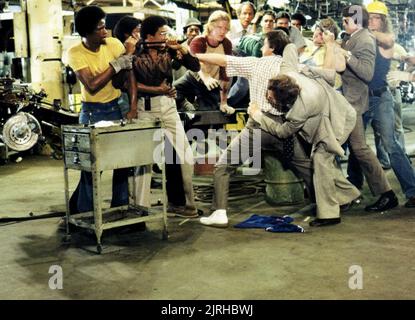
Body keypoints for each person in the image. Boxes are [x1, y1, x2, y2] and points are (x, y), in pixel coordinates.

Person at [194, 31, 314, 228]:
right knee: (307, 167)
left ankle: (220, 212)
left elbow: (223, 60)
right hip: (284, 126)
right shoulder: (292, 67)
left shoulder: (256, 63)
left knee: (223, 167)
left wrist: (197, 55)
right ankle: (327, 201)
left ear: (272, 47)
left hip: (257, 127)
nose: (260, 48)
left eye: (263, 44)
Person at [248, 71, 360, 227]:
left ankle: (329, 215)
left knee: (321, 161)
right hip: (331, 114)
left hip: (338, 122)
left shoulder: (301, 109)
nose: (268, 98)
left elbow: (283, 131)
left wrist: (258, 116)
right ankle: (349, 195)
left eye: (272, 98)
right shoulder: (293, 75)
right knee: (322, 165)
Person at [66, 6, 137, 215]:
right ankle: (85, 215)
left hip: (115, 107)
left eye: (104, 27)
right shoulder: (75, 53)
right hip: (91, 113)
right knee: (91, 169)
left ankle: (120, 209)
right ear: (86, 32)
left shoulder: (113, 44)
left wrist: (132, 107)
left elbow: (129, 75)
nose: (105, 32)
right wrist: (117, 64)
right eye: (99, 29)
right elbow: (92, 84)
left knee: (122, 163)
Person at [129, 15, 201, 218]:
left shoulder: (169, 50)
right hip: (144, 107)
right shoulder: (135, 52)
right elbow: (128, 84)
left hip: (168, 107)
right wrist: (157, 89)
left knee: (185, 154)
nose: (165, 37)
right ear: (149, 36)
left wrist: (181, 49)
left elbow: (195, 67)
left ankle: (187, 205)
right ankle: (139, 209)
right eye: (162, 33)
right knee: (142, 161)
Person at [347, 1, 415, 208]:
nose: (372, 20)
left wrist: (360, 28)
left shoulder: (385, 38)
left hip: (380, 98)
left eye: (376, 17)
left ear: (383, 20)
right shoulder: (362, 39)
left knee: (390, 144)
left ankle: (412, 191)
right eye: (370, 17)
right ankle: (352, 189)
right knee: (356, 145)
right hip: (360, 97)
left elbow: (387, 40)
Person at [335, 5, 398, 212]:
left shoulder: (365, 39)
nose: (343, 24)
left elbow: (366, 73)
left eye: (345, 21)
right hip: (349, 102)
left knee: (333, 150)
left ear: (353, 21)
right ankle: (380, 193)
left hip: (354, 103)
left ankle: (347, 194)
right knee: (358, 149)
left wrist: (345, 54)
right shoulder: (353, 37)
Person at [174, 10, 234, 114]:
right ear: (210, 26)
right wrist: (206, 77)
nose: (223, 31)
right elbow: (196, 63)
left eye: (226, 28)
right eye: (219, 27)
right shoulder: (199, 40)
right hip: (194, 77)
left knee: (209, 116)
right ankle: (186, 104)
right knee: (171, 91)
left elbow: (225, 73)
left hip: (212, 84)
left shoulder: (227, 43)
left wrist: (224, 102)